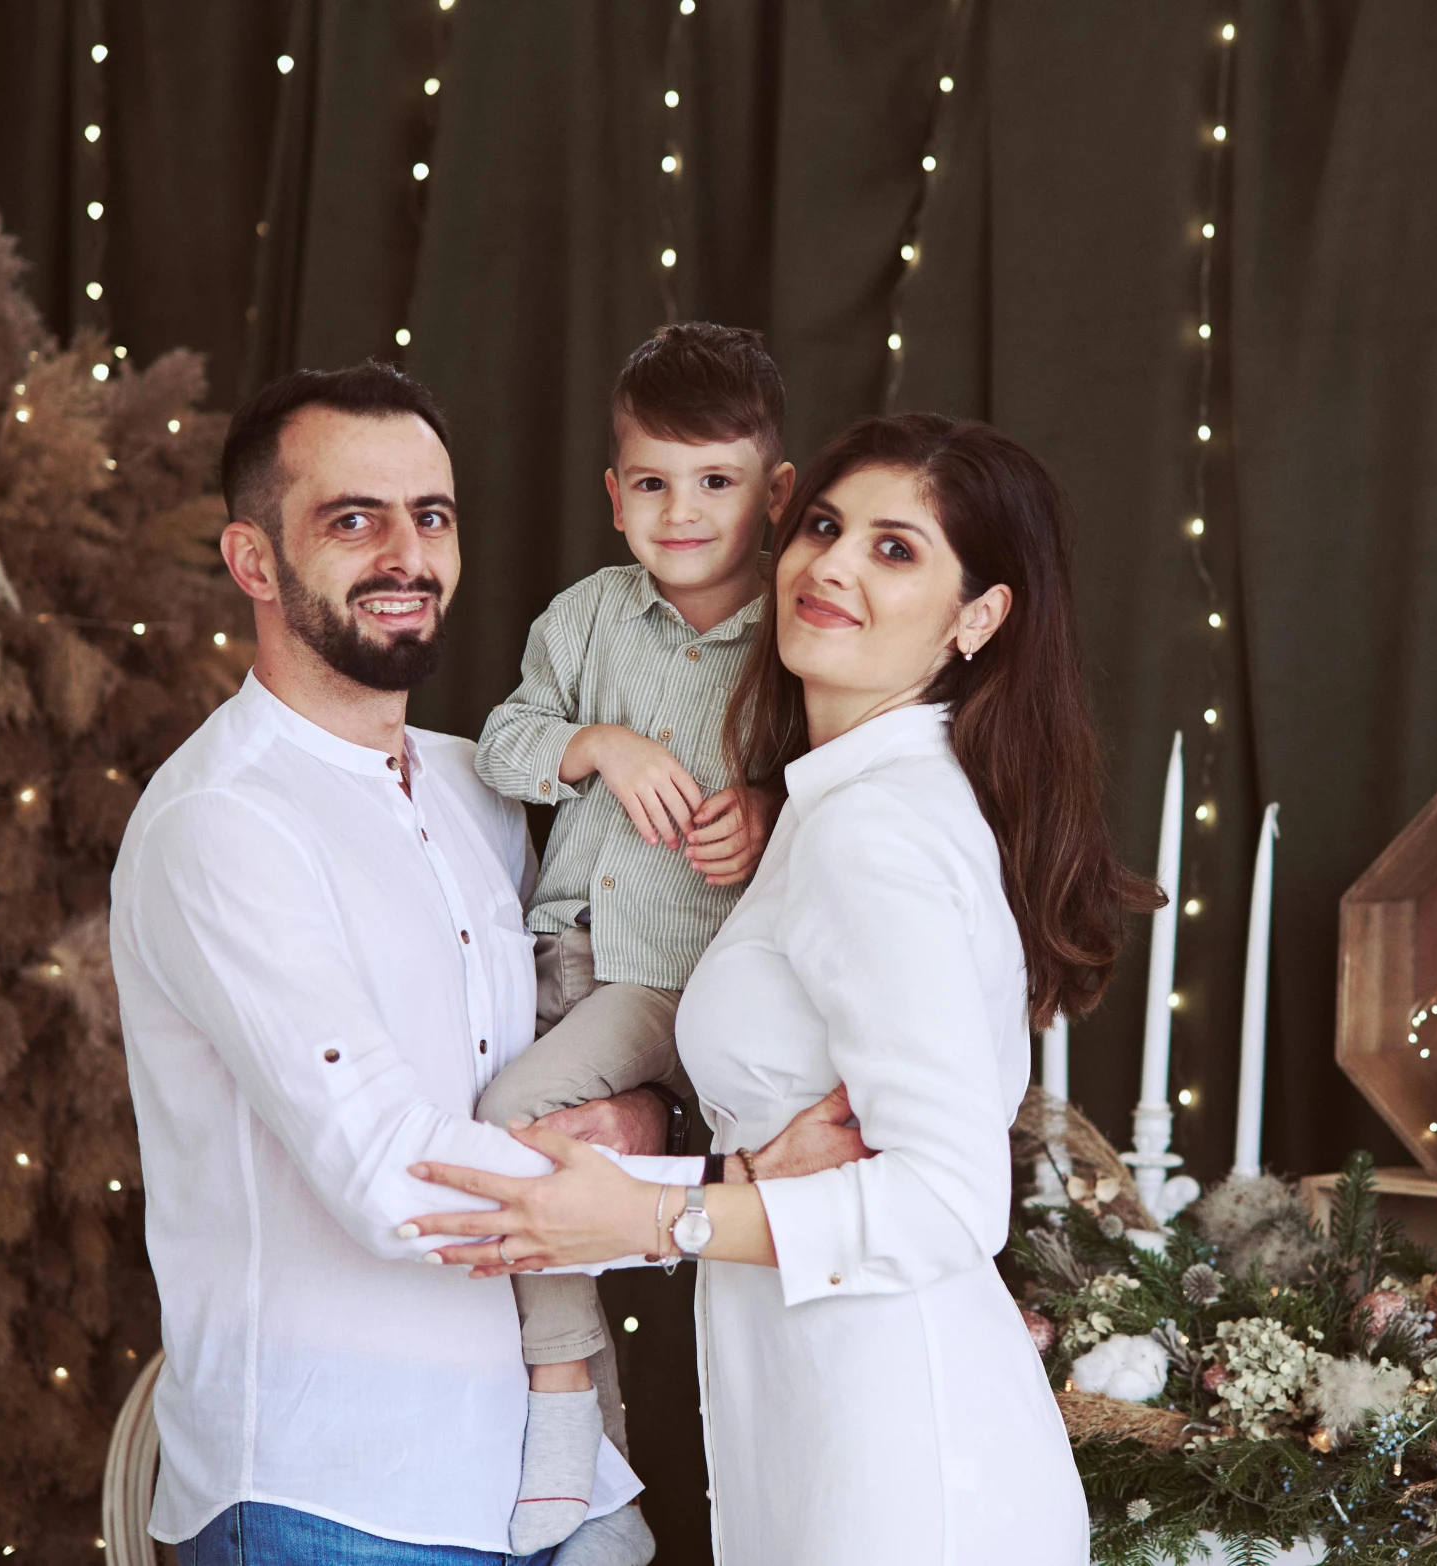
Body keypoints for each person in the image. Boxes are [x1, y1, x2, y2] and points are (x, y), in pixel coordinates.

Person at [110, 362, 860, 1566]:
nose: (405, 554)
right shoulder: (224, 824)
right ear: (253, 561)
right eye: (353, 519)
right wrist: (735, 1190)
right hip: (329, 1493)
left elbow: (601, 1020)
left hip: (536, 1473)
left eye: (433, 516)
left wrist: (765, 816)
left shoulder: (482, 791)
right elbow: (390, 1175)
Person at [404, 414, 1162, 1564]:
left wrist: (655, 1216)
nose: (834, 565)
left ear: (978, 618)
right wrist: (712, 1171)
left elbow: (953, 1203)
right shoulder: (828, 807)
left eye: (895, 550)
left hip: (902, 1460)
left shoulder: (877, 830)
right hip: (820, 1424)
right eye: (824, 527)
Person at [468, 323, 791, 1552]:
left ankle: (562, 1398)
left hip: (662, 980)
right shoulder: (588, 620)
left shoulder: (789, 646)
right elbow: (505, 740)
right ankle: (598, 1486)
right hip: (548, 952)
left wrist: (760, 813)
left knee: (510, 1123)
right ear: (614, 497)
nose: (683, 511)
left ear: (776, 494)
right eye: (653, 483)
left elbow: (818, 800)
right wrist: (594, 744)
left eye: (716, 482)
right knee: (505, 1166)